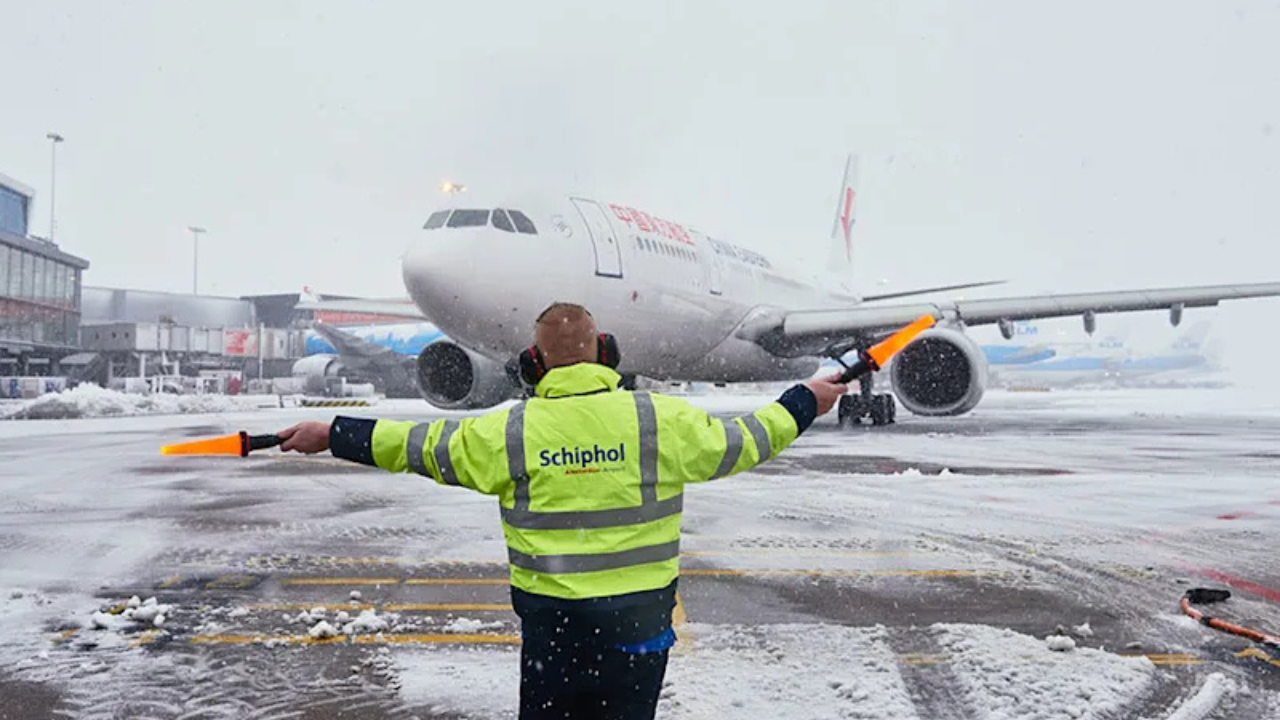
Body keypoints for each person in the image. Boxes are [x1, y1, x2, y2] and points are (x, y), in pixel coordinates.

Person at [277, 302, 848, 720]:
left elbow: (416, 445)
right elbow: (748, 438)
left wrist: (333, 433)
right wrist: (804, 400)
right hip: (638, 628)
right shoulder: (657, 420)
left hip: (555, 632)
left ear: (532, 363)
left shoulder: (510, 431)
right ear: (607, 354)